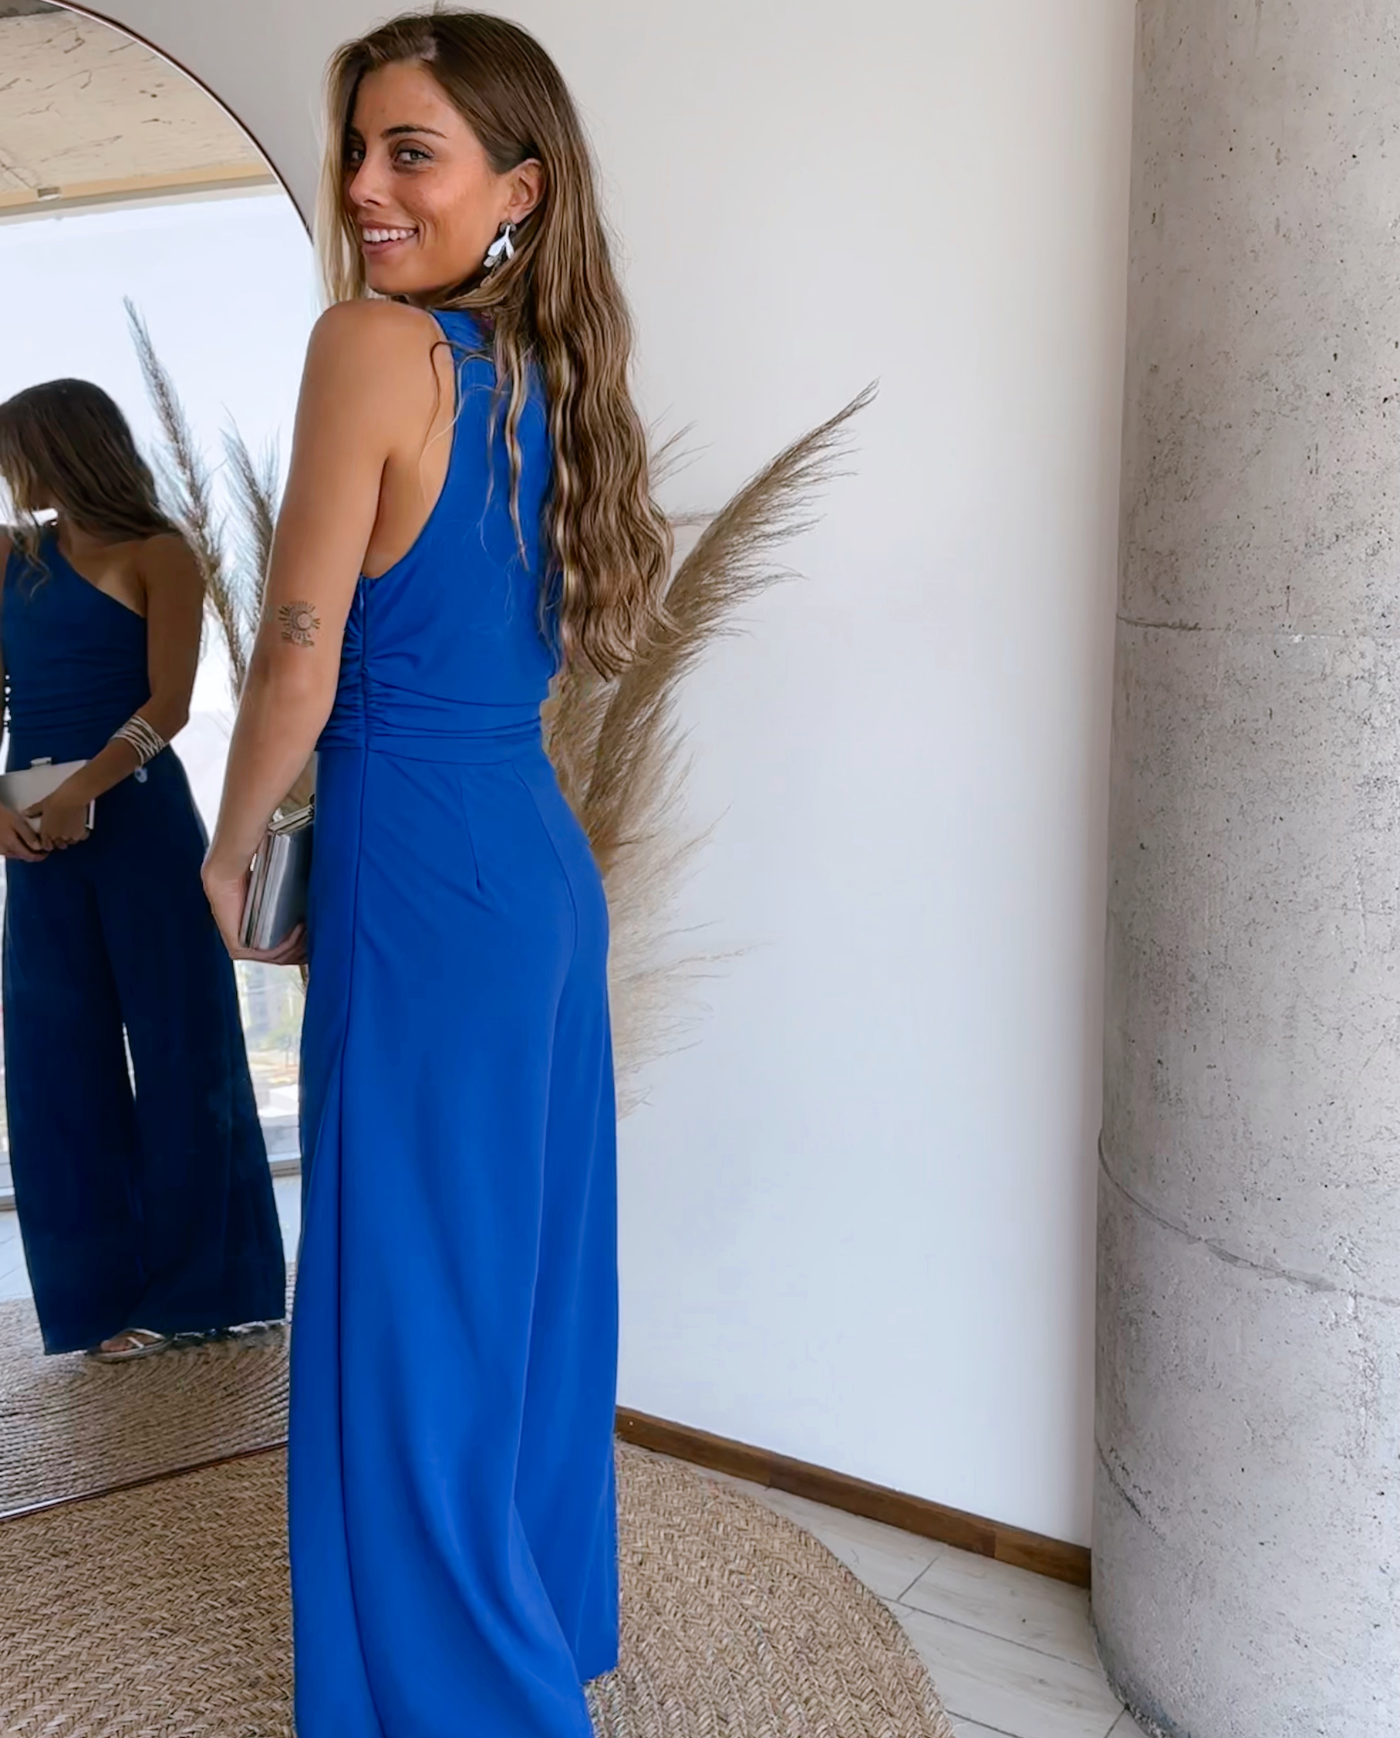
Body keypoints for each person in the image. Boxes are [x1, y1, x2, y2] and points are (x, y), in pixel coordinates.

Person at [201, 11, 671, 1735]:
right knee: (519, 1281)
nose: (365, 186)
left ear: (517, 189)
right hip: (530, 866)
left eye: (413, 152)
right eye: (360, 148)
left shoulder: (370, 345)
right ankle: (530, 1613)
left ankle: (467, 1691)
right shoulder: (554, 382)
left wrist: (231, 838)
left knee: (409, 1292)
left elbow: (298, 645)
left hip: (416, 861)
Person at [0, 378, 286, 1360]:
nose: (10, 474)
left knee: (182, 1049)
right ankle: (95, 1299)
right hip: (35, 838)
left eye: (17, 451)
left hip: (142, 826)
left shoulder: (162, 551)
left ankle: (208, 1291)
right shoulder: (10, 558)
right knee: (53, 1061)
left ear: (64, 448)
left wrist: (85, 786)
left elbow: (169, 703)